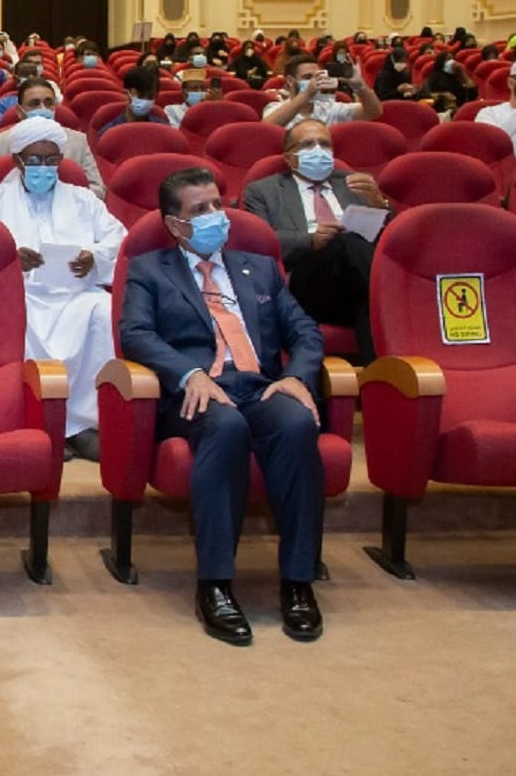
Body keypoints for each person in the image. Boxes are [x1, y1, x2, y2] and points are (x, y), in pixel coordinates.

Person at [119, 167, 326, 646]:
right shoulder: (150, 270)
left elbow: (305, 331)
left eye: (217, 204)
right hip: (197, 391)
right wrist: (187, 373)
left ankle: (298, 584)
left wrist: (297, 376)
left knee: (296, 424)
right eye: (200, 210)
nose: (216, 216)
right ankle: (215, 585)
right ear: (175, 225)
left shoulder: (260, 267)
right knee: (226, 426)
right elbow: (136, 333)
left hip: (260, 386)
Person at [0, 117, 125, 461]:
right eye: (36, 160)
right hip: (19, 293)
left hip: (76, 294)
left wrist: (94, 258)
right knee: (18, 318)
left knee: (101, 311)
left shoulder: (84, 200)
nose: (44, 167)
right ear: (17, 161)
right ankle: (37, 421)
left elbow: (119, 239)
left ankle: (82, 426)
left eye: (52, 160)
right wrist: (8, 258)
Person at [240, 120, 387, 362]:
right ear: (289, 158)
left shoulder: (353, 183)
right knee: (345, 242)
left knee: (364, 295)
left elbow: (391, 242)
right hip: (307, 283)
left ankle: (379, 374)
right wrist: (311, 240)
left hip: (354, 282)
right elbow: (260, 241)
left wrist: (379, 204)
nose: (318, 150)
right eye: (308, 144)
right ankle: (391, 298)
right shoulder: (263, 190)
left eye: (325, 144)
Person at [0, 78, 105, 198]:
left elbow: (98, 189)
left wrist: (66, 200)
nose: (43, 109)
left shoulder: (78, 141)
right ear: (19, 111)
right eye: (34, 104)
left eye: (48, 103)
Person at [264, 54, 383, 128]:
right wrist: (306, 94)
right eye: (307, 77)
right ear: (290, 81)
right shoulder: (275, 107)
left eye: (317, 76)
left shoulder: (329, 108)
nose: (314, 81)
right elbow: (267, 128)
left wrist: (360, 86)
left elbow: (374, 112)